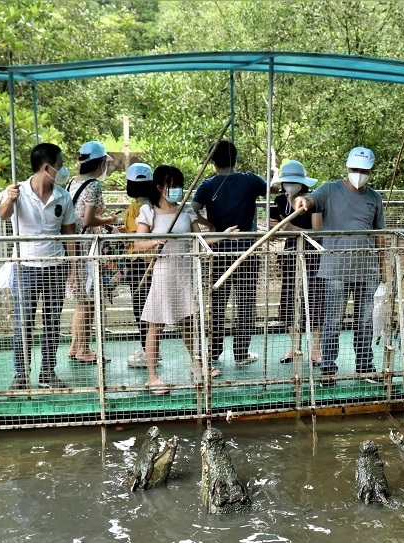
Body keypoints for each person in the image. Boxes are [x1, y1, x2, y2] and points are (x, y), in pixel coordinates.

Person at [293, 146, 386, 383]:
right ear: (347, 167)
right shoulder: (330, 189)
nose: (358, 173)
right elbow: (311, 200)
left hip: (368, 269)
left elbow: (379, 234)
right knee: (332, 320)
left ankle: (365, 366)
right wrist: (303, 200)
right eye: (355, 168)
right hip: (335, 268)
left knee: (364, 322)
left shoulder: (374, 198)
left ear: (371, 171)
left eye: (364, 170)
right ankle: (328, 367)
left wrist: (383, 267)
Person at [0, 143, 77, 390]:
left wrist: (73, 269)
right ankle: (21, 375)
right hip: (25, 266)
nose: (63, 169)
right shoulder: (17, 191)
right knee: (24, 322)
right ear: (47, 167)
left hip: (54, 266)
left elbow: (69, 234)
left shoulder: (63, 196)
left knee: (52, 322)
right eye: (60, 164)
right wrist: (9, 200)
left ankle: (47, 373)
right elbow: (3, 215)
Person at [137, 164, 213, 394]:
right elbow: (138, 244)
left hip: (184, 274)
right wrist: (154, 242)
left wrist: (224, 235)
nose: (177, 189)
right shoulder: (148, 211)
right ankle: (152, 377)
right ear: (160, 187)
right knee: (155, 326)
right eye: (173, 185)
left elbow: (199, 240)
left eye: (180, 185)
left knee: (189, 323)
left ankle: (197, 364)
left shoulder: (186, 210)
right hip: (163, 274)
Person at [190, 140, 266, 368]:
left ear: (212, 161)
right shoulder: (250, 180)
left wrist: (211, 225)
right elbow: (273, 188)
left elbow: (190, 210)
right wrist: (272, 173)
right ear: (235, 158)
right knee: (245, 304)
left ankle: (213, 353)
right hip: (246, 251)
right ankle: (241, 353)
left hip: (219, 251)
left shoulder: (208, 184)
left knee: (218, 303)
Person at [66, 141, 120, 364]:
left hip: (74, 244)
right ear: (100, 163)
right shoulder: (94, 186)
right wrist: (110, 219)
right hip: (87, 246)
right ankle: (84, 350)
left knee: (81, 300)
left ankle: (74, 346)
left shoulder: (73, 182)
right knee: (87, 301)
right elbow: (88, 218)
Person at [270, 160, 323, 364]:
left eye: (294, 182)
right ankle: (294, 348)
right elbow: (276, 232)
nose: (290, 185)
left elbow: (318, 233)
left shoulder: (314, 200)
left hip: (313, 257)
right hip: (291, 255)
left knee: (316, 300)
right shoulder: (279, 200)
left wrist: (290, 228)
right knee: (290, 301)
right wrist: (275, 227)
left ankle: (315, 350)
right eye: (287, 182)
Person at [121, 163, 155, 367]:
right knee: (152, 310)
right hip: (155, 262)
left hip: (140, 262)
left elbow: (137, 237)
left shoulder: (135, 208)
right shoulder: (155, 205)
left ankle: (147, 351)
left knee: (141, 308)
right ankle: (150, 348)